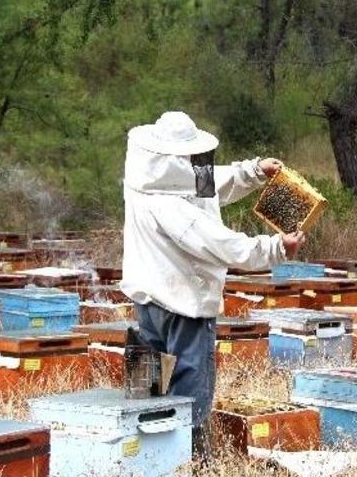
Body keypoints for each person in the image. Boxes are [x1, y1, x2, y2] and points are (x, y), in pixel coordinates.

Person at [119, 111, 305, 461]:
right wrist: (276, 248)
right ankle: (193, 462)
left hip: (147, 307)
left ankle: (145, 462)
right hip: (184, 310)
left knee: (145, 400)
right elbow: (220, 243)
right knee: (190, 398)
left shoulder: (143, 177)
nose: (197, 163)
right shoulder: (171, 206)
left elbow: (206, 182)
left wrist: (253, 171)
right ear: (177, 160)